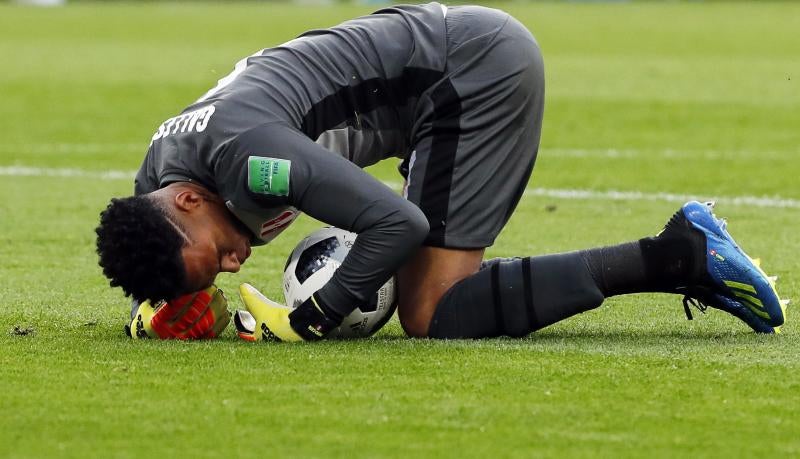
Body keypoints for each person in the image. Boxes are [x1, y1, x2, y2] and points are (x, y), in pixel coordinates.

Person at [95, 3, 787, 341]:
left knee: (432, 310)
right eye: (220, 269)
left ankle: (679, 254)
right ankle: (679, 253)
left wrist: (318, 314)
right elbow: (148, 248)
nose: (233, 261)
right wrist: (158, 307)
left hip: (471, 76)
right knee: (425, 293)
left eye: (216, 255)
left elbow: (398, 223)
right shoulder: (160, 176)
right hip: (435, 75)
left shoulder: (250, 161)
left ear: (189, 201)